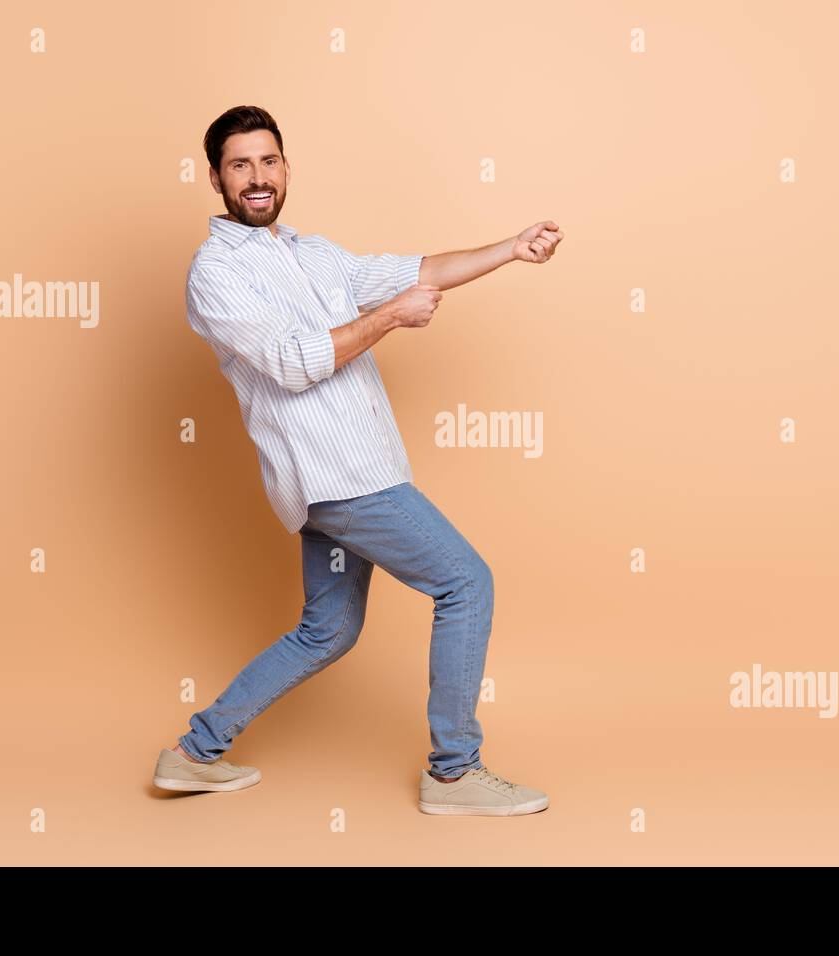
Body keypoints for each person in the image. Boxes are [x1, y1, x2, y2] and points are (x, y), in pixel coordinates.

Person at [151, 105, 563, 816]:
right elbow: (290, 362)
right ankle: (454, 773)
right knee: (467, 583)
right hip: (340, 481)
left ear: (285, 169)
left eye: (269, 161)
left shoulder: (312, 253)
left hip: (353, 474)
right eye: (240, 164)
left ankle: (194, 753)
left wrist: (511, 248)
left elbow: (414, 269)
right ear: (214, 176)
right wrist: (391, 318)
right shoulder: (215, 273)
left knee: (327, 630)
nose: (257, 177)